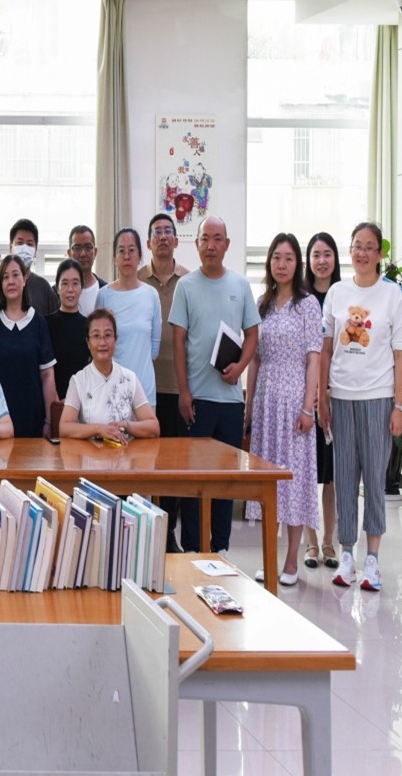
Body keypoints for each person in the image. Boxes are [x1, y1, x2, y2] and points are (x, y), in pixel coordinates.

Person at [321, 222, 402, 592]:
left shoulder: (392, 295)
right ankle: (346, 554)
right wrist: (322, 396)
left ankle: (372, 559)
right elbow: (326, 349)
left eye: (369, 247)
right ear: (351, 250)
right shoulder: (337, 292)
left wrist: (398, 405)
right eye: (357, 245)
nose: (362, 253)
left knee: (374, 479)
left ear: (379, 254)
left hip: (378, 398)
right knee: (343, 478)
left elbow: (401, 353)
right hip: (341, 397)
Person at [169, 215, 260, 554]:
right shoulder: (186, 286)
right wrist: (184, 391)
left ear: (227, 244)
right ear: (197, 244)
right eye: (205, 238)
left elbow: (252, 334)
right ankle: (194, 547)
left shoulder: (240, 285)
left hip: (231, 401)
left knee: (225, 479)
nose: (211, 245)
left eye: (217, 238)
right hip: (197, 400)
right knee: (195, 479)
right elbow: (178, 341)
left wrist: (240, 368)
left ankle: (220, 547)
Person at [245, 234, 321, 587]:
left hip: (294, 404)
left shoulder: (307, 306)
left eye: (289, 258)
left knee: (294, 481)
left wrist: (308, 408)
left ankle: (291, 561)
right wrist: (249, 409)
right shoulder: (261, 304)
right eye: (276, 257)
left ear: (297, 263)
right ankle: (268, 557)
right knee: (267, 483)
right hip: (266, 403)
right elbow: (255, 360)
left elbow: (314, 359)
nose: (282, 264)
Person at [139, 213, 190, 553]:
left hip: (176, 386)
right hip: (143, 387)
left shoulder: (189, 280)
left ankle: (169, 529)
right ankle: (144, 529)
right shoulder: (137, 279)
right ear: (148, 242)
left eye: (168, 231)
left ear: (176, 240)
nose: (162, 236)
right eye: (156, 231)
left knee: (173, 463)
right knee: (146, 463)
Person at [0, 254, 58, 439]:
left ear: (25, 278)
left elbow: (47, 376)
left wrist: (49, 421)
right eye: (5, 277)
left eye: (15, 275)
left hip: (33, 418)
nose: (11, 281)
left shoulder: (38, 322)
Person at [59, 309, 160, 441]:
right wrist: (99, 429)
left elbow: (153, 427)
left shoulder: (129, 378)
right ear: (88, 342)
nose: (102, 342)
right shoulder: (79, 380)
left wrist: (126, 425)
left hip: (124, 451)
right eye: (96, 336)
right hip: (90, 452)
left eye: (107, 335)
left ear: (115, 340)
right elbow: (64, 428)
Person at [303, 232, 342, 570]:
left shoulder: (344, 296)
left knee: (331, 476)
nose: (322, 260)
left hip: (336, 396)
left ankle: (330, 542)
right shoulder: (302, 299)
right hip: (306, 399)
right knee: (307, 471)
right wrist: (311, 394)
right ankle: (311, 543)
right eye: (316, 254)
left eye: (327, 254)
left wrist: (327, 391)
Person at [98, 228, 162, 404]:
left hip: (144, 388)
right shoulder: (103, 295)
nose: (126, 256)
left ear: (140, 256)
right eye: (121, 251)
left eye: (132, 250)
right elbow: (98, 345)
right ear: (114, 258)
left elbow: (154, 348)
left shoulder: (151, 295)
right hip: (111, 389)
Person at [0, 218, 60, 317]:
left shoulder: (44, 287)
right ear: (11, 248)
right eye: (20, 243)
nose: (25, 248)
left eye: (29, 244)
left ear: (35, 251)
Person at [47, 259, 89, 400]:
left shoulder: (88, 326)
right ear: (57, 288)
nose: (70, 289)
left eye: (75, 283)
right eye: (65, 283)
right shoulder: (46, 324)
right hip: (53, 402)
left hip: (83, 401)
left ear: (82, 287)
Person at [67, 225, 108, 315]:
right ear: (69, 253)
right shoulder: (56, 293)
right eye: (77, 248)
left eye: (88, 247)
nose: (83, 254)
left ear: (95, 252)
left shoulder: (106, 292)